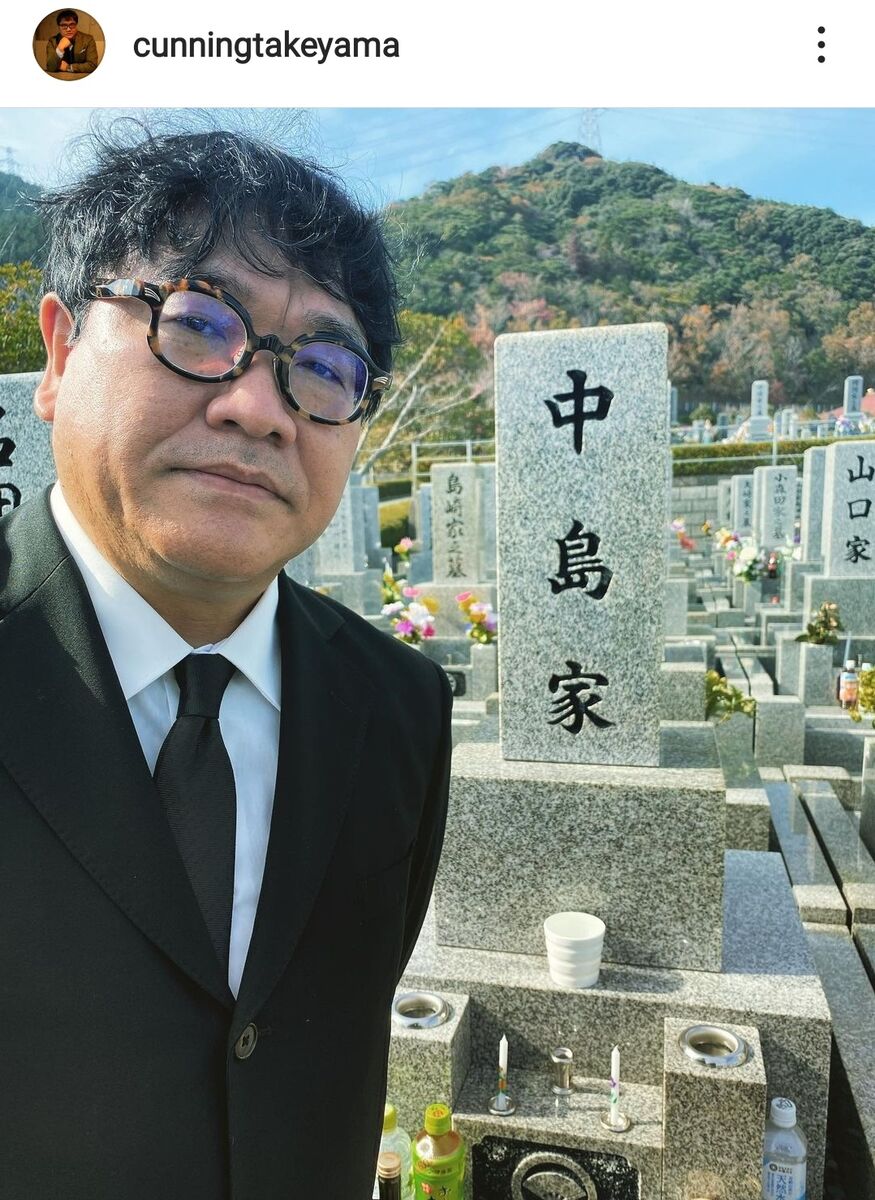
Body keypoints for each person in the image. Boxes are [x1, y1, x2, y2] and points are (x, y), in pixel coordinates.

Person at [0, 126, 453, 1199]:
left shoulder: (398, 705)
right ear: (59, 355)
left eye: (325, 369)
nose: (258, 407)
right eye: (199, 324)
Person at [44, 9, 98, 75]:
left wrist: (68, 67)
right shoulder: (52, 41)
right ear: (59, 27)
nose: (68, 29)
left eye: (72, 25)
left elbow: (92, 65)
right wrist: (60, 49)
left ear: (76, 24)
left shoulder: (88, 39)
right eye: (64, 25)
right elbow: (50, 68)